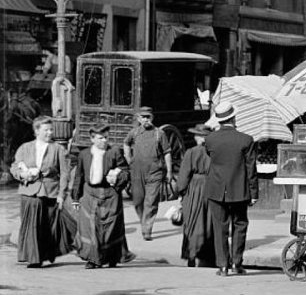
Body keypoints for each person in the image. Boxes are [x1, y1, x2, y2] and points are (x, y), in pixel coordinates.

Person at [10, 115, 74, 268]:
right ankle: (34, 258)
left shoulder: (58, 149)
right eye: (46, 130)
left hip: (50, 192)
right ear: (36, 131)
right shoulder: (25, 148)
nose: (50, 133)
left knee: (46, 226)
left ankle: (42, 255)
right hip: (29, 191)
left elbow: (65, 173)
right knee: (31, 226)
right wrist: (23, 174)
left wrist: (61, 195)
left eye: (51, 130)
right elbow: (15, 166)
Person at [204, 101, 258, 277]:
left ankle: (222, 266)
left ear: (219, 120)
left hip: (216, 189)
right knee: (240, 225)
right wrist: (254, 193)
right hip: (239, 189)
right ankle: (237, 263)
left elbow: (210, 156)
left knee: (220, 227)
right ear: (234, 117)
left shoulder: (210, 139)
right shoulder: (246, 139)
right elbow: (251, 168)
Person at [71, 124, 130, 269]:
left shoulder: (114, 152)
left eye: (106, 137)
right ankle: (93, 259)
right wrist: (76, 198)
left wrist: (117, 177)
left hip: (110, 195)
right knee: (91, 228)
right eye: (100, 138)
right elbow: (79, 176)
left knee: (111, 227)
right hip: (90, 194)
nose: (104, 140)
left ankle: (111, 257)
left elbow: (125, 171)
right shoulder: (84, 154)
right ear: (92, 139)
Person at [123, 106, 173, 240]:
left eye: (148, 117)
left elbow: (167, 153)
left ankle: (147, 229)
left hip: (155, 173)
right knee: (138, 201)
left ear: (152, 118)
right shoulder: (134, 133)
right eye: (143, 117)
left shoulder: (159, 133)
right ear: (139, 119)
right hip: (137, 172)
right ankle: (143, 221)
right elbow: (126, 144)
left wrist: (169, 171)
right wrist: (129, 159)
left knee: (151, 202)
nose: (146, 119)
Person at [176, 123, 216, 268]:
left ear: (199, 137)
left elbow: (183, 176)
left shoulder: (191, 152)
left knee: (193, 221)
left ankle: (192, 253)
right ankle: (208, 255)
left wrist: (181, 192)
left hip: (194, 188)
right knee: (208, 221)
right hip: (211, 187)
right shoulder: (215, 152)